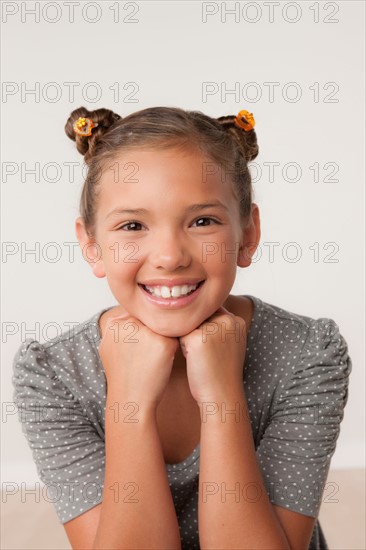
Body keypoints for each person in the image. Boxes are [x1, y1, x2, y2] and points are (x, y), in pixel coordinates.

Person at [12, 106, 352, 550]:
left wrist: (222, 396)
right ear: (92, 246)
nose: (169, 256)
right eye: (133, 225)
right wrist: (129, 402)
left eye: (202, 221)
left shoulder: (308, 354)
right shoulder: (52, 374)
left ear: (248, 235)